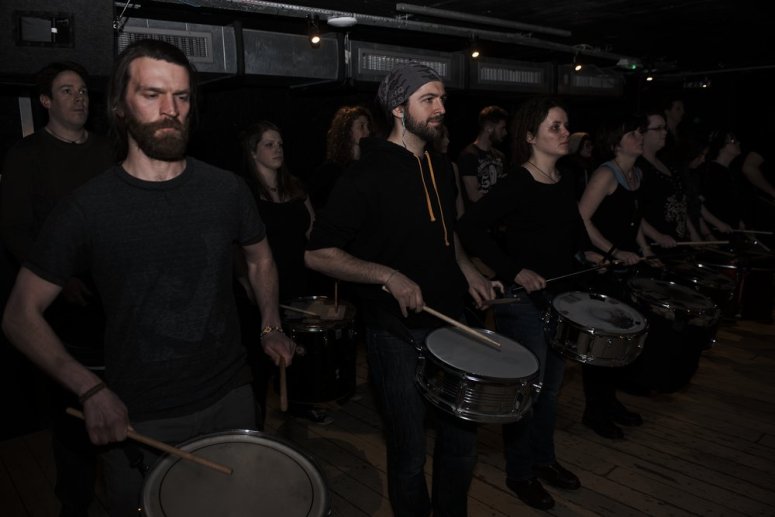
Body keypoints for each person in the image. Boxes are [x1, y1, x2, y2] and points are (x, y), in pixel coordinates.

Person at [1, 39, 295, 517]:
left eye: (181, 97)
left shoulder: (225, 190)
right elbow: (19, 315)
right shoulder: (87, 207)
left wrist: (270, 323)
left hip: (231, 399)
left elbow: (260, 259)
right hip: (139, 415)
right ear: (120, 106)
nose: (170, 109)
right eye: (152, 94)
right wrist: (89, 389)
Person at [305, 61, 497, 517]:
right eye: (428, 99)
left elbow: (445, 235)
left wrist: (468, 270)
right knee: (410, 454)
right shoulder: (364, 175)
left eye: (442, 99)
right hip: (396, 334)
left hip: (452, 325)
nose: (440, 108)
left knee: (461, 446)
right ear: (397, 107)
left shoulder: (441, 167)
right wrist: (388, 275)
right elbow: (317, 253)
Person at [457, 97, 601, 510]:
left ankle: (544, 461)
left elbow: (574, 235)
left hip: (560, 299)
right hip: (521, 303)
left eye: (565, 126)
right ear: (530, 136)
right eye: (555, 126)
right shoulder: (517, 182)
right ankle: (521, 474)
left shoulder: (566, 178)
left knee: (551, 390)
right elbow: (470, 227)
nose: (563, 133)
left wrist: (593, 256)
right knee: (529, 392)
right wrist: (513, 270)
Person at [0, 61, 115, 517]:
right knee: (74, 411)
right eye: (68, 91)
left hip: (115, 297)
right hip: (60, 303)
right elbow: (14, 231)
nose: (80, 98)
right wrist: (59, 279)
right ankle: (76, 503)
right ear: (46, 101)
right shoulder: (25, 156)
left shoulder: (109, 150)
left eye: (84, 90)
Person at [238, 120, 332, 425]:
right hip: (260, 289)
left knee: (297, 352)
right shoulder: (245, 194)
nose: (277, 149)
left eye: (280, 144)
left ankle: (299, 405)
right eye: (269, 144)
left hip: (296, 284)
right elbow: (237, 249)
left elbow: (313, 235)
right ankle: (255, 426)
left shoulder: (295, 188)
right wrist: (249, 287)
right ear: (253, 153)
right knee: (260, 363)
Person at [577, 115, 648, 439]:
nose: (640, 136)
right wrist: (612, 252)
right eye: (633, 132)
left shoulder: (637, 174)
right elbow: (581, 219)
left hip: (625, 269)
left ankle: (610, 402)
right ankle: (595, 411)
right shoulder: (607, 174)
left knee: (620, 342)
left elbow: (636, 222)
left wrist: (645, 250)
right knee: (603, 344)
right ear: (616, 142)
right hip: (603, 271)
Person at [638, 108, 697, 251]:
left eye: (664, 128)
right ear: (642, 133)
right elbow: (630, 213)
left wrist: (694, 232)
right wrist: (657, 236)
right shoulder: (638, 168)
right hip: (656, 246)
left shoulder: (667, 163)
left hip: (679, 243)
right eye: (658, 129)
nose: (664, 132)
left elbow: (679, 204)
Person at [309, 105, 372, 211]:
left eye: (368, 127)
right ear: (347, 130)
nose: (367, 131)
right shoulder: (331, 170)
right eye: (361, 126)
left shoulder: (369, 165)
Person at [457, 105, 509, 205]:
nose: (505, 132)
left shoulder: (500, 156)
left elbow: (505, 188)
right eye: (502, 128)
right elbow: (474, 195)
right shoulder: (468, 155)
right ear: (489, 128)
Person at [558, 131, 595, 199]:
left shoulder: (589, 164)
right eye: (587, 145)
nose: (591, 148)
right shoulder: (567, 167)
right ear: (577, 146)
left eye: (591, 145)